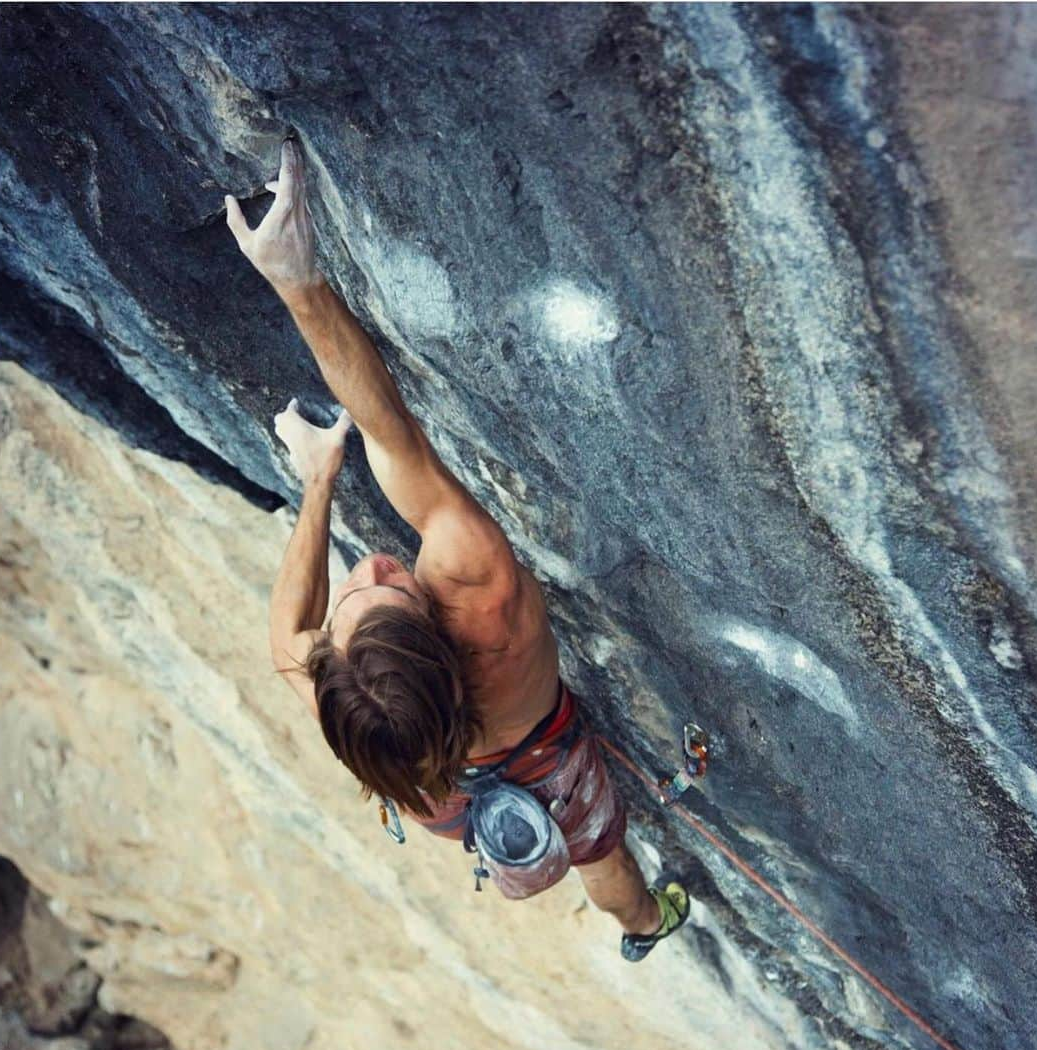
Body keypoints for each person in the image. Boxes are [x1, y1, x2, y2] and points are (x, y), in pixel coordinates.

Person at [225, 138, 689, 960]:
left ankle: (635, 923)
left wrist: (317, 484)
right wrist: (298, 284)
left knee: (555, 839)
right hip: (542, 752)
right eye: (384, 585)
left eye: (357, 589)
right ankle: (646, 922)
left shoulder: (358, 715)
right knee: (599, 849)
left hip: (441, 804)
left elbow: (281, 644)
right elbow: (393, 436)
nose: (369, 565)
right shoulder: (482, 596)